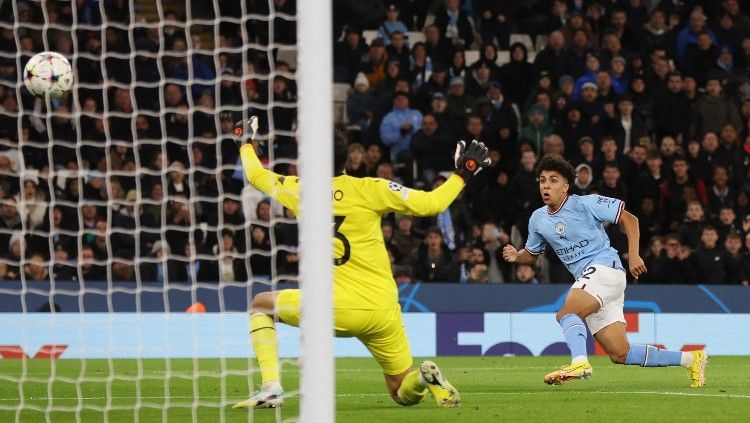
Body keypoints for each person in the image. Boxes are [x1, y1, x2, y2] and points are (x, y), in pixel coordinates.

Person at [233, 116, 490, 409]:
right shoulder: (372, 188)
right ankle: (423, 378)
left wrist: (245, 142)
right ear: (346, 161)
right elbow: (432, 204)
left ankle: (271, 388)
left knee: (260, 305)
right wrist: (464, 172)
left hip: (334, 307)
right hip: (383, 308)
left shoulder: (299, 189)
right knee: (401, 391)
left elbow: (255, 175)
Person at [502, 154, 707, 388]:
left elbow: (630, 220)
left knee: (566, 314)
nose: (546, 185)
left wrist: (636, 255)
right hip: (594, 283)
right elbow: (532, 254)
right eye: (542, 180)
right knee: (621, 354)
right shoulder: (537, 219)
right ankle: (692, 359)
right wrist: (517, 256)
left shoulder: (586, 203)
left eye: (553, 180)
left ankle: (579, 362)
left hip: (605, 268)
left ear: (566, 186)